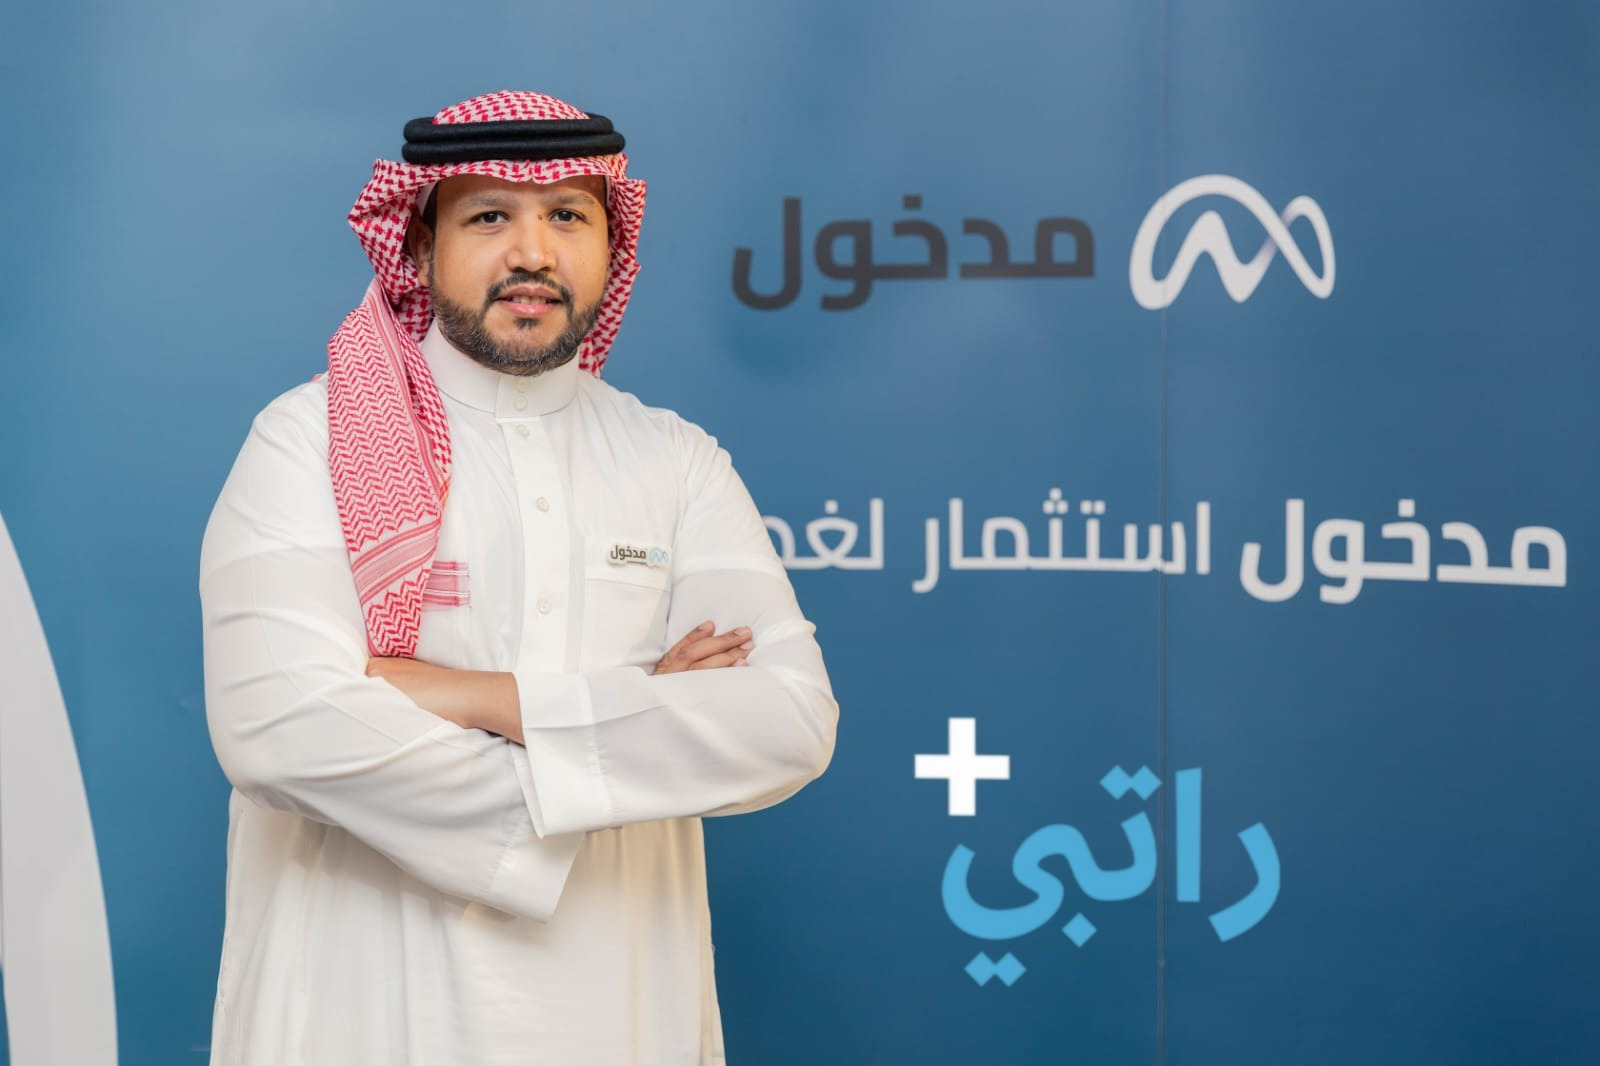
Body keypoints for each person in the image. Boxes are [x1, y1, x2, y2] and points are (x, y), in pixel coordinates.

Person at [199, 90, 838, 1065]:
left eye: (568, 216)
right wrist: (637, 715)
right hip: (360, 1014)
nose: (532, 252)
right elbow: (280, 728)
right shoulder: (307, 440)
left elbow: (787, 721)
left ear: (612, 247)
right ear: (419, 244)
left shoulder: (674, 460)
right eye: (491, 216)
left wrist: (470, 695)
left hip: (620, 1014)